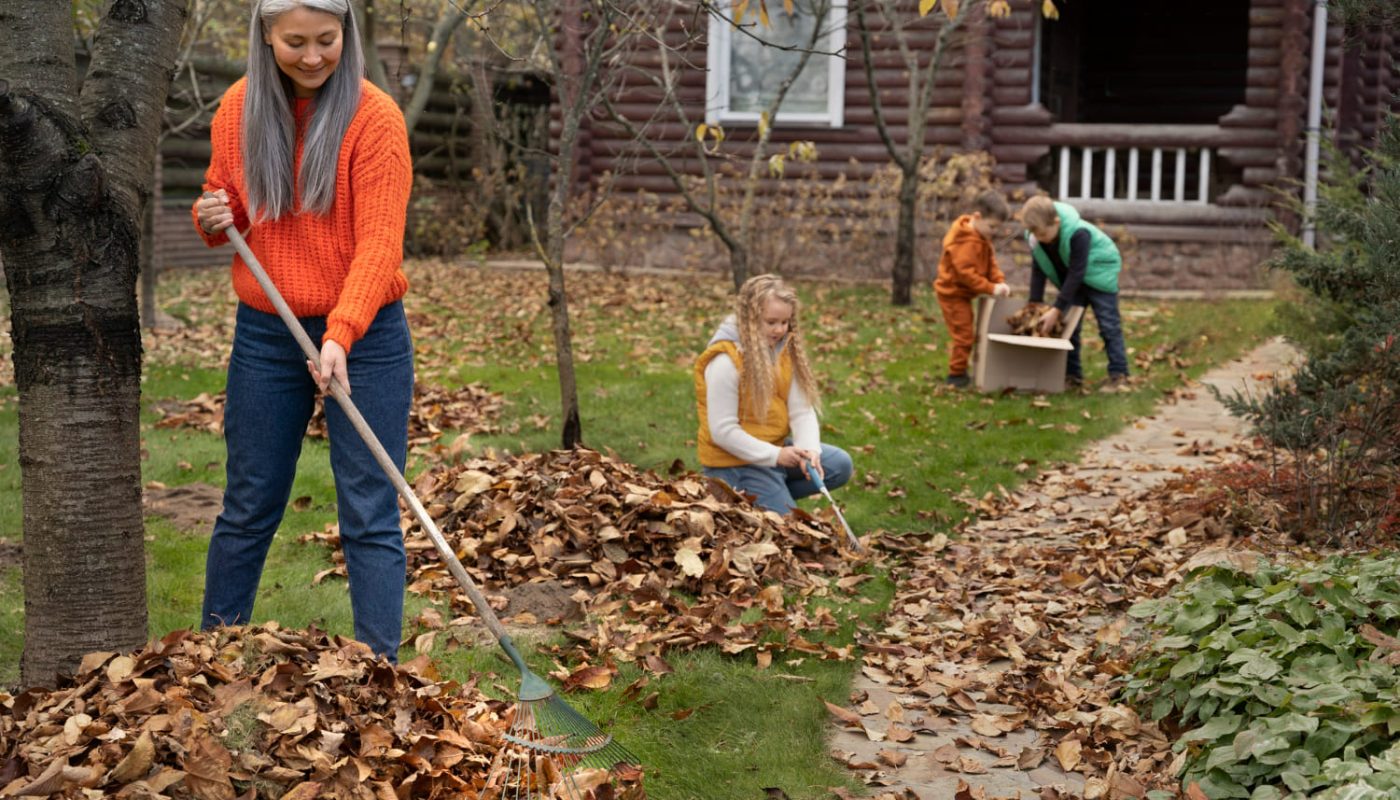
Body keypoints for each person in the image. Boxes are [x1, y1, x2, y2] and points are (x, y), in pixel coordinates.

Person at [192, 0, 414, 661]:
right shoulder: (238, 108)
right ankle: (209, 659)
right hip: (266, 332)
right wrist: (213, 214)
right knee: (249, 502)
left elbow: (379, 245)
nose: (313, 56)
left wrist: (341, 333)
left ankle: (381, 675)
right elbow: (223, 205)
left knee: (369, 512)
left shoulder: (374, 119)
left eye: (327, 40)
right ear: (265, 35)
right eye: (296, 42)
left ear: (348, 32)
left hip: (366, 332)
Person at [694, 274, 853, 514]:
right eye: (771, 322)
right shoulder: (725, 360)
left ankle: (772, 495)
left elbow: (801, 410)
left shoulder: (783, 351)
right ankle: (746, 496)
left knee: (840, 465)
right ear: (749, 318)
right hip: (735, 463)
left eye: (785, 322)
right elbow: (722, 431)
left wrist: (809, 450)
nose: (779, 330)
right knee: (788, 530)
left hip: (774, 450)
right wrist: (776, 455)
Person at [1019, 195, 1130, 390]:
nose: (1042, 240)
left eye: (1045, 234)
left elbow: (1077, 272)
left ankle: (1119, 375)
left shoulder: (1078, 233)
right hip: (1073, 282)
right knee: (1069, 328)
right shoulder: (1036, 238)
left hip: (1098, 275)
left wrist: (1057, 308)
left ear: (1056, 222)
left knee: (1108, 325)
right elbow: (1038, 271)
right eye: (1038, 236)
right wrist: (1034, 303)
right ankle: (1072, 376)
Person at [934, 190, 1013, 388]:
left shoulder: (981, 236)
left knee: (968, 333)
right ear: (977, 217)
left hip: (964, 294)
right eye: (992, 226)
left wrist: (999, 281)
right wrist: (990, 288)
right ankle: (956, 375)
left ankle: (961, 371)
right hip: (952, 294)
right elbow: (966, 275)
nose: (993, 231)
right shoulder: (963, 242)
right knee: (964, 335)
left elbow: (990, 263)